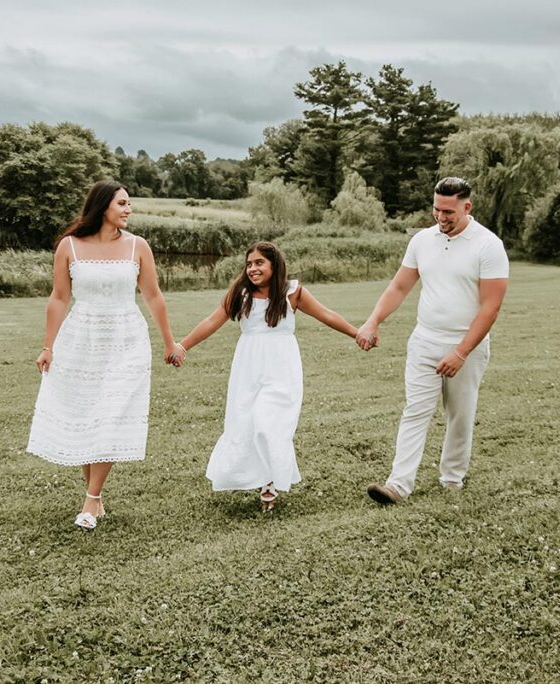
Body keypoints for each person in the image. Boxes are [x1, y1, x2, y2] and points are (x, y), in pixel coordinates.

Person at [27, 180, 179, 530]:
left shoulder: (138, 247)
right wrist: (48, 346)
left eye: (129, 204)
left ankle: (91, 500)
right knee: (86, 416)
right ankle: (94, 497)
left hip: (126, 338)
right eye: (122, 203)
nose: (128, 209)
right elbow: (59, 298)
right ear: (102, 206)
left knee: (111, 413)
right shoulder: (69, 246)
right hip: (81, 338)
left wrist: (170, 343)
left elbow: (153, 296)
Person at [169, 242, 358, 512]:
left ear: (274, 265)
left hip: (282, 366)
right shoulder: (240, 293)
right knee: (246, 421)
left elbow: (326, 315)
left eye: (259, 263)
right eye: (249, 264)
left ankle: (270, 481)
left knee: (268, 423)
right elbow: (212, 321)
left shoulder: (293, 293)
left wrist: (357, 333)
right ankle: (255, 476)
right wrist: (183, 346)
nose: (253, 268)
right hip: (248, 367)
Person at [358, 177, 509, 504]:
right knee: (416, 410)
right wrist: (374, 320)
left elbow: (491, 306)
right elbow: (399, 287)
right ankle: (398, 485)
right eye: (437, 209)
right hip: (424, 341)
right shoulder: (422, 241)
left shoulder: (488, 245)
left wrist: (461, 352)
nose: (441, 217)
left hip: (466, 347)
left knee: (460, 414)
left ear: (467, 207)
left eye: (449, 211)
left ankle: (452, 479)